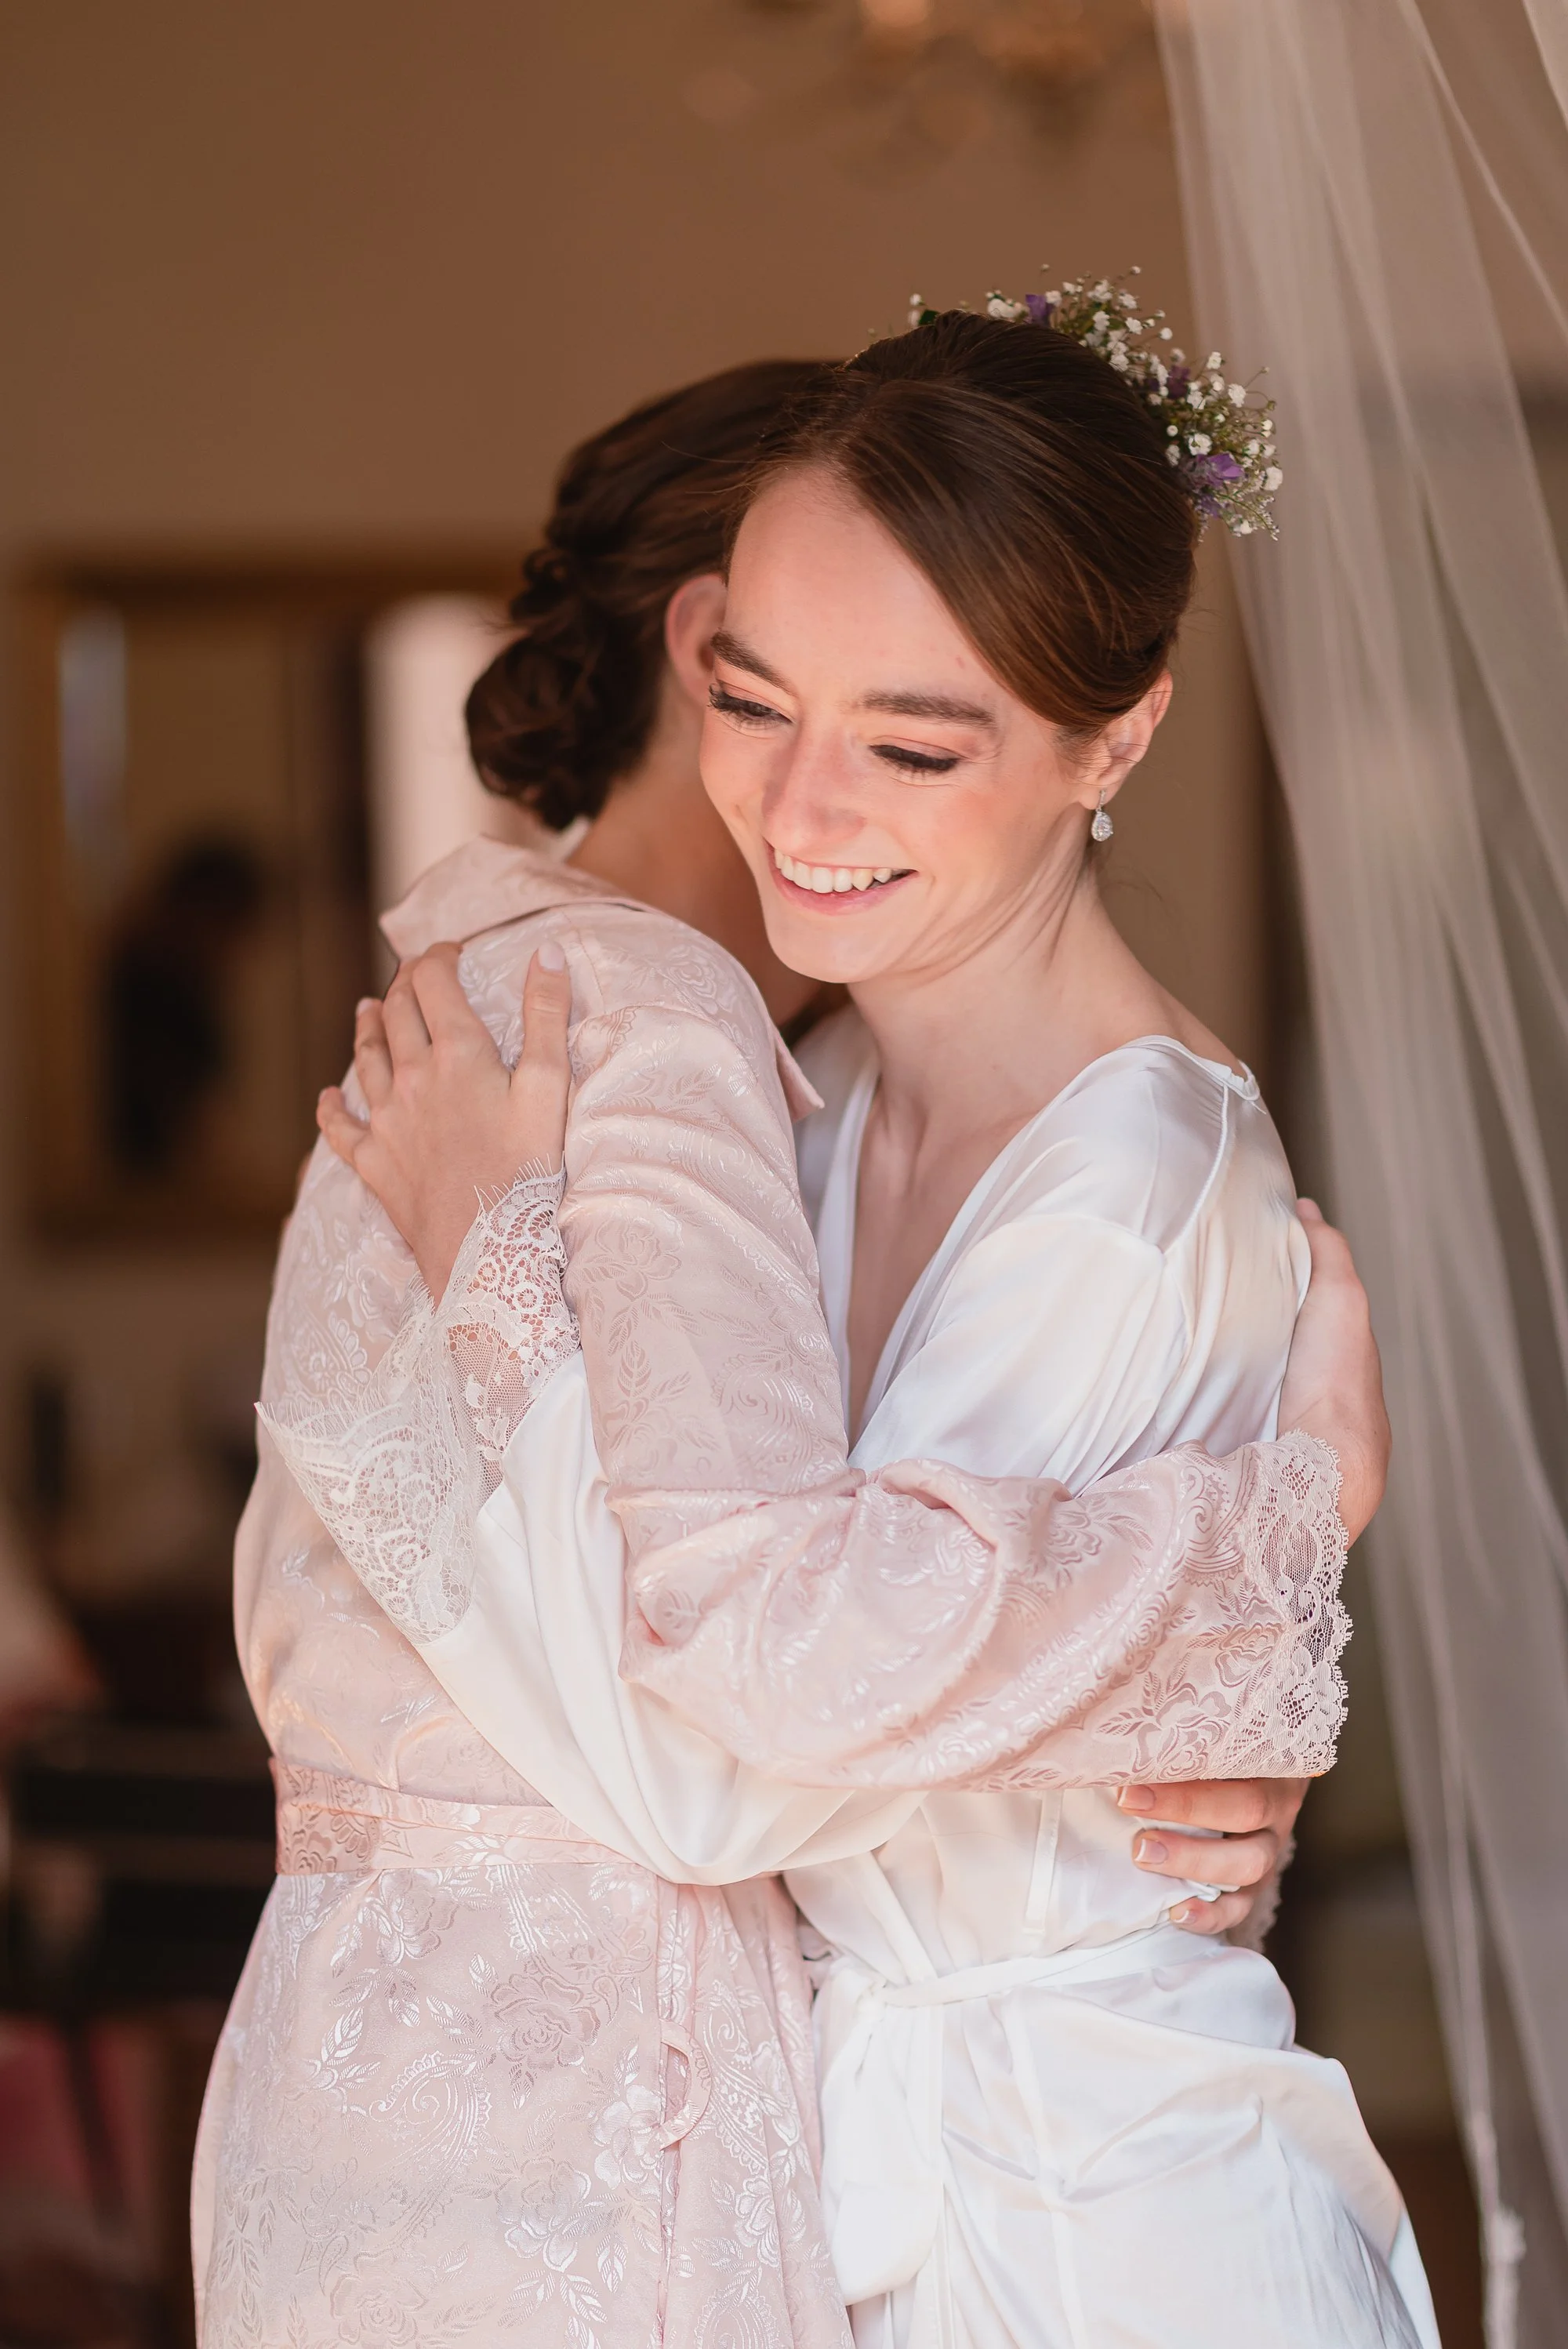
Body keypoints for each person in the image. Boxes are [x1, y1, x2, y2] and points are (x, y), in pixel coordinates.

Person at [276, 309, 1426, 2347]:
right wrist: (1161, 1692)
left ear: (1116, 738)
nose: (801, 804)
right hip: (845, 2186)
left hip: (1100, 2226)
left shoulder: (1126, 1183)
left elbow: (754, 1738)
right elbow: (794, 1665)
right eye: (753, 699)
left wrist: (497, 1264)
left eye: (913, 744)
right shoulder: (820, 1113)